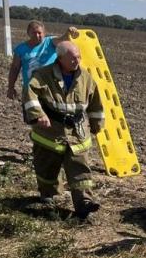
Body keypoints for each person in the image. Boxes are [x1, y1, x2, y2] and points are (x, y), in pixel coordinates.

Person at [22, 41, 105, 220]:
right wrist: (38, 115)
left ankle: (84, 204)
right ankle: (47, 198)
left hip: (77, 134)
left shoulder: (86, 78)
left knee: (80, 169)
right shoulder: (43, 75)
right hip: (50, 133)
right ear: (60, 59)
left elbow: (96, 103)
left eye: (79, 57)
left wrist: (97, 123)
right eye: (72, 58)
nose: (77, 60)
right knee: (47, 169)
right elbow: (30, 95)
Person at [7, 20, 78, 100]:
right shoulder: (20, 49)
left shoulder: (50, 42)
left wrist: (68, 32)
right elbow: (14, 69)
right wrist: (11, 87)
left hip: (51, 91)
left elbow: (63, 40)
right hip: (30, 90)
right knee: (31, 111)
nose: (37, 35)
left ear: (44, 33)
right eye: (34, 33)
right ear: (28, 33)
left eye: (39, 33)